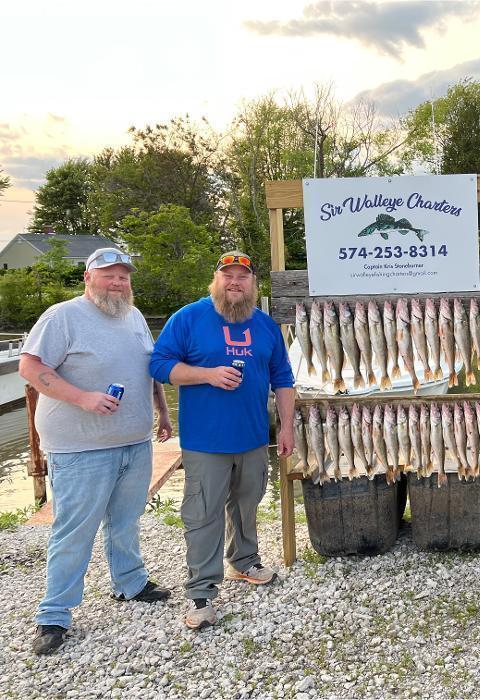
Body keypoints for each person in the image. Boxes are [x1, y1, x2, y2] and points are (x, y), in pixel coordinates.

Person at [20, 247, 172, 656]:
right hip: (79, 447)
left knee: (125, 521)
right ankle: (54, 614)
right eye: (109, 275)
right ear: (88, 278)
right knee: (74, 530)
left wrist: (161, 412)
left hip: (134, 441)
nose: (118, 283)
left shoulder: (134, 317)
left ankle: (130, 583)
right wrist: (82, 397)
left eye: (124, 276)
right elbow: (31, 368)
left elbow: (149, 367)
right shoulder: (62, 316)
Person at [149, 251, 295, 630]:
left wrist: (287, 427)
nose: (234, 282)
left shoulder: (265, 325)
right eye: (227, 275)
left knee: (247, 504)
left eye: (242, 276)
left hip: (252, 438)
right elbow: (160, 365)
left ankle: (244, 562)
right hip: (205, 441)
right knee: (203, 514)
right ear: (215, 280)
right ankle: (201, 592)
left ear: (253, 284)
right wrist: (207, 375)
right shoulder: (189, 318)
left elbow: (282, 377)